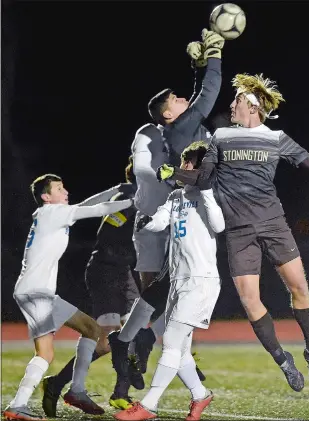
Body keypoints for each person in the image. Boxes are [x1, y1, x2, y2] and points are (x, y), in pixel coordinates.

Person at [157, 73, 309, 392]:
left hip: (274, 225)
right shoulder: (221, 137)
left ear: (253, 107)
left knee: (300, 290)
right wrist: (174, 174)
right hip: (239, 232)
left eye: (237, 100)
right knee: (250, 301)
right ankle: (284, 361)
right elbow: (203, 180)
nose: (231, 104)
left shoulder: (277, 138)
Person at [109, 28, 225, 378]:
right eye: (174, 99)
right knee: (182, 285)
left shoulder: (180, 126)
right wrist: (216, 55)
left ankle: (140, 340)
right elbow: (209, 92)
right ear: (168, 115)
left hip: (197, 204)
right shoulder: (178, 128)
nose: (181, 100)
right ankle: (148, 343)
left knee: (174, 286)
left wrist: (197, 65)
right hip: (195, 208)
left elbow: (196, 95)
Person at [3, 174, 134, 421]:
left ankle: (76, 390)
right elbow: (100, 209)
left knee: (92, 330)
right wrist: (135, 202)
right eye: (59, 189)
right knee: (45, 354)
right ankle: (17, 405)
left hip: (38, 292)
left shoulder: (52, 214)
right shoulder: (51, 213)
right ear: (46, 197)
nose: (66, 192)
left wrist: (116, 188)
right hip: (37, 293)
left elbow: (85, 206)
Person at [114, 141, 225, 421]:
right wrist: (146, 222)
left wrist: (208, 192)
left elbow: (220, 225)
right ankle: (201, 395)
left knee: (171, 342)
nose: (184, 167)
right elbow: (160, 222)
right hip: (178, 281)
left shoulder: (208, 194)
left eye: (188, 163)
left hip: (200, 281)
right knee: (182, 350)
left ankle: (149, 404)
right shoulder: (176, 196)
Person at [41, 159, 141, 417]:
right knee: (106, 338)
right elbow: (107, 232)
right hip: (107, 271)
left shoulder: (142, 195)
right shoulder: (129, 196)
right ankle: (64, 384)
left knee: (134, 330)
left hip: (122, 272)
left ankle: (121, 389)